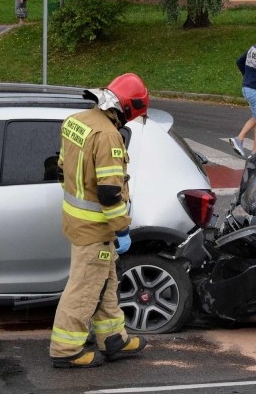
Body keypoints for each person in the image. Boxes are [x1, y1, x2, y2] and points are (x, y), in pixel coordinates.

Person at [50, 73, 150, 369]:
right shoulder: (108, 135)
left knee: (104, 282)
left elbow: (60, 170)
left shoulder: (76, 121)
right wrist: (122, 229)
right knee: (83, 290)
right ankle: (66, 349)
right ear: (128, 108)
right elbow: (109, 193)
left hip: (78, 223)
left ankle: (113, 338)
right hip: (96, 228)